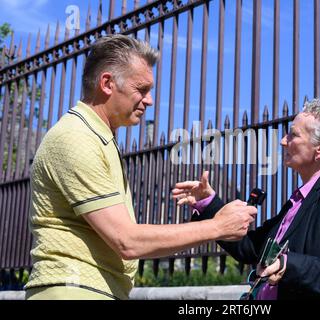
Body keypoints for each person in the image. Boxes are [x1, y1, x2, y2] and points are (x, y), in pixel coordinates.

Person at [25, 35, 257, 300]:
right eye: (142, 89)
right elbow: (127, 240)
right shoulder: (76, 138)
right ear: (107, 83)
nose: (150, 101)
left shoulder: (98, 138)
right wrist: (217, 227)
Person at [172, 99, 320, 299]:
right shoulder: (300, 199)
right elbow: (251, 248)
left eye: (293, 135)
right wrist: (208, 204)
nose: (283, 141)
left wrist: (289, 265)